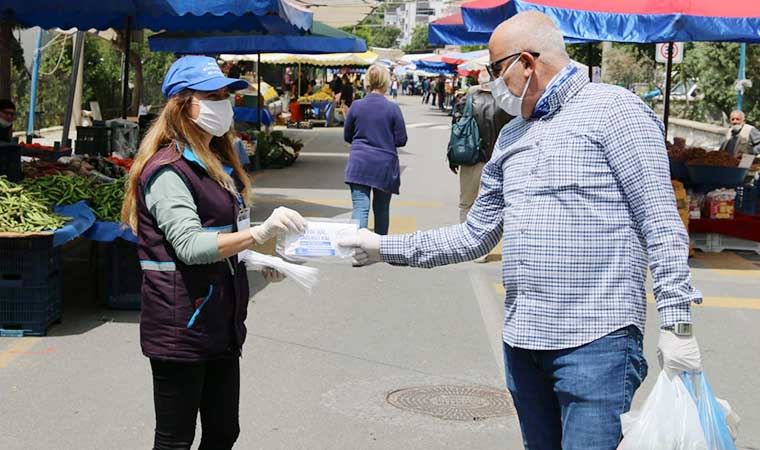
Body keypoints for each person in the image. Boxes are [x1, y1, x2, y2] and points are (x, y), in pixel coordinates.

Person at [338, 12, 702, 450]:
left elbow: (660, 221)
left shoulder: (616, 112)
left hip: (595, 344)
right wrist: (383, 247)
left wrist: (677, 322)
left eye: (496, 70)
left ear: (527, 63)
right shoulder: (512, 136)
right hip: (523, 343)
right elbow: (474, 235)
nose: (492, 82)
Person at [120, 55, 306, 450]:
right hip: (180, 326)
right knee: (175, 440)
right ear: (183, 104)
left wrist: (258, 257)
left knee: (224, 432)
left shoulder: (217, 162)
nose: (224, 103)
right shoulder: (168, 171)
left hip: (220, 322)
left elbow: (227, 232)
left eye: (226, 95)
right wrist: (259, 234)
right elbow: (190, 245)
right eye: (213, 95)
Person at [343, 64, 407, 236]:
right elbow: (401, 140)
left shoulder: (356, 106)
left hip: (359, 163)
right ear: (386, 82)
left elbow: (347, 136)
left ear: (367, 82)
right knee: (382, 209)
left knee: (360, 209)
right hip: (384, 166)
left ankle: (357, 250)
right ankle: (380, 249)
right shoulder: (392, 108)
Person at [450, 70, 513, 224]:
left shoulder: (467, 101)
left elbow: (457, 130)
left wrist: (452, 157)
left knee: (467, 203)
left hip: (472, 157)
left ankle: (465, 238)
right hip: (498, 159)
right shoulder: (506, 103)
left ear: (479, 82)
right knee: (496, 204)